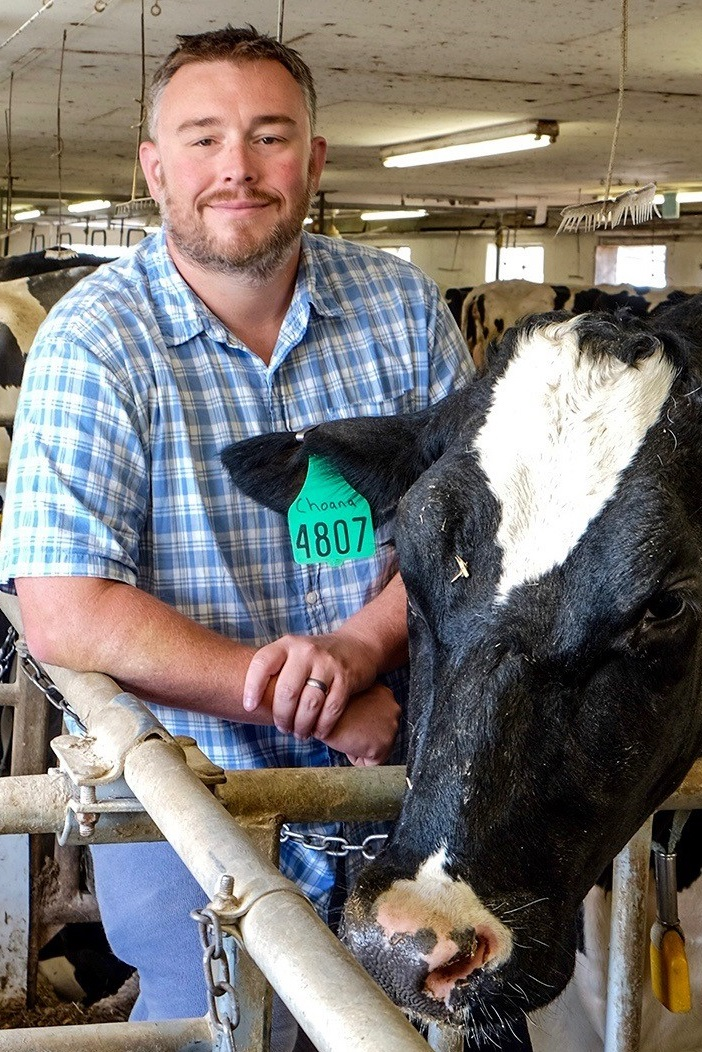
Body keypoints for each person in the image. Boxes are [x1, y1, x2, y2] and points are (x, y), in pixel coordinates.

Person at [0, 24, 474, 1050]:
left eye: (269, 136)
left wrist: (356, 651)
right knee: (213, 1028)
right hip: (188, 798)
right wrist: (294, 691)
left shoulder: (400, 307)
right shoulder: (95, 340)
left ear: (313, 158)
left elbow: (465, 526)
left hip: (396, 780)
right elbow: (65, 608)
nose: (237, 168)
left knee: (403, 1020)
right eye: (204, 137)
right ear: (154, 166)